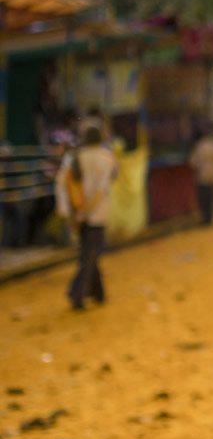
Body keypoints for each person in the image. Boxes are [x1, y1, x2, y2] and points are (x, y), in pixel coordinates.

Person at [67, 123, 117, 310]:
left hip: (83, 211)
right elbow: (110, 180)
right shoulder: (109, 157)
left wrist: (78, 212)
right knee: (91, 253)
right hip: (99, 212)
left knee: (88, 254)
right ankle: (96, 293)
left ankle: (78, 294)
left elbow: (73, 184)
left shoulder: (79, 158)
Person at [189, 127, 213, 226]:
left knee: (204, 199)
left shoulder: (199, 146)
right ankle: (210, 218)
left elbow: (193, 162)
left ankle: (206, 219)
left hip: (202, 177)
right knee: (211, 198)